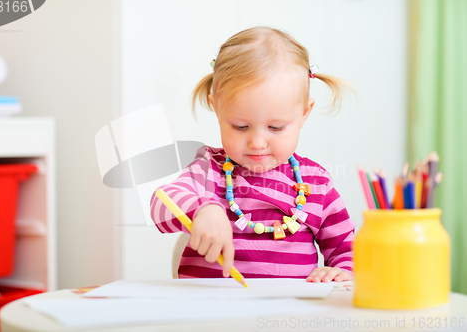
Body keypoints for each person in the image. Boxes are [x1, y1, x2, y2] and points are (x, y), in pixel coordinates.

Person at [150, 26, 355, 283]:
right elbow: (161, 205)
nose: (257, 142)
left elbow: (346, 250)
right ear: (216, 109)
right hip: (210, 316)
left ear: (304, 113)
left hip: (287, 317)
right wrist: (202, 210)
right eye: (240, 126)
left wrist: (342, 272)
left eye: (276, 127)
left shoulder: (316, 183)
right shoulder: (208, 170)